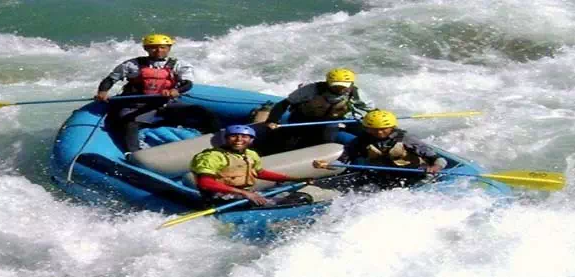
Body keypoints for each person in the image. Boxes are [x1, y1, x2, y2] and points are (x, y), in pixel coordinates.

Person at [95, 33, 220, 152]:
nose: (158, 51)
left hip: (164, 103)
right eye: (153, 48)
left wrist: (176, 90)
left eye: (162, 47)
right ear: (146, 49)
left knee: (202, 111)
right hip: (136, 105)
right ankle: (132, 153)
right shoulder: (131, 64)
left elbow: (188, 83)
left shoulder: (179, 64)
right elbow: (110, 79)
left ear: (169, 48)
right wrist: (102, 92)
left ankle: (216, 139)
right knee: (129, 123)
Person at [312, 110, 447, 189]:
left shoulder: (407, 139)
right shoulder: (360, 141)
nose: (380, 132)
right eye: (374, 129)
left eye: (384, 129)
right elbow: (345, 160)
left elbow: (438, 159)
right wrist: (328, 165)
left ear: (392, 127)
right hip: (382, 178)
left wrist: (436, 167)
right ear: (366, 128)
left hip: (414, 175)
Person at [190, 125, 312, 206]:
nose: (239, 139)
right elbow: (205, 183)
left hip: (241, 194)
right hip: (218, 197)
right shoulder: (212, 156)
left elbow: (260, 173)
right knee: (291, 202)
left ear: (251, 140)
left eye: (244, 137)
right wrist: (245, 194)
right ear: (226, 139)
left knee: (302, 198)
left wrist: (293, 179)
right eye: (233, 136)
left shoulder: (251, 154)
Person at [260, 68, 371, 153]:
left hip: (330, 121)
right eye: (336, 86)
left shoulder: (356, 92)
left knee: (328, 137)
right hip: (303, 118)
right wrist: (272, 120)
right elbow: (284, 104)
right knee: (290, 140)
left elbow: (370, 110)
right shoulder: (311, 89)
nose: (341, 89)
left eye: (344, 86)